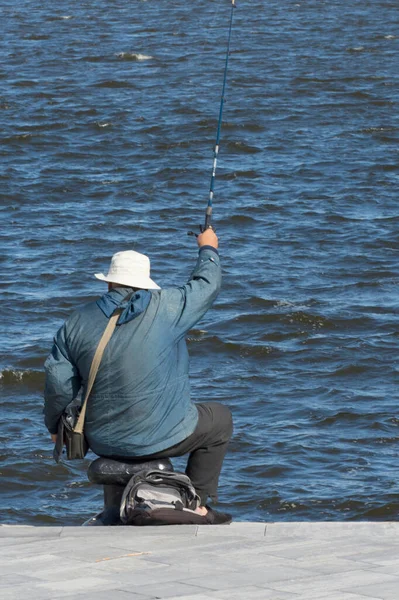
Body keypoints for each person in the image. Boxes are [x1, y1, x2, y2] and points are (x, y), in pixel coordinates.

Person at [44, 228, 233, 523]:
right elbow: (206, 285)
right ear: (144, 283)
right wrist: (208, 248)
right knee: (220, 420)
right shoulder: (168, 306)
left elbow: (58, 383)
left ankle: (127, 507)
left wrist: (54, 426)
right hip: (164, 437)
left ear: (109, 282)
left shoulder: (77, 321)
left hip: (102, 440)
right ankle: (196, 501)